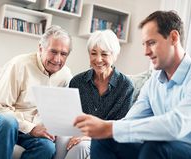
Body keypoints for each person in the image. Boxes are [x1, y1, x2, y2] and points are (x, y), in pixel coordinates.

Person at [73, 10, 191, 159]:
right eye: (144, 44)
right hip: (163, 149)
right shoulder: (154, 82)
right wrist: (101, 131)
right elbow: (130, 121)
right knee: (104, 139)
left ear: (173, 37)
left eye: (151, 43)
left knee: (156, 146)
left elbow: (175, 126)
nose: (146, 52)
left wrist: (109, 127)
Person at [0, 25, 73, 159]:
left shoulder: (66, 75)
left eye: (63, 54)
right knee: (9, 122)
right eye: (53, 52)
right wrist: (31, 128)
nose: (57, 59)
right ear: (40, 48)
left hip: (27, 130)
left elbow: (61, 114)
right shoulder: (19, 64)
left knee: (47, 147)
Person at [54, 30, 135, 159]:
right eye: (93, 53)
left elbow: (120, 126)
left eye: (104, 54)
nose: (98, 59)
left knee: (80, 147)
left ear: (115, 56)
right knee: (62, 138)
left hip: (106, 138)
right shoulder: (77, 81)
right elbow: (69, 118)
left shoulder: (125, 86)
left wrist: (88, 136)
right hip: (77, 131)